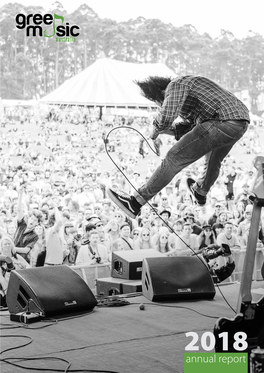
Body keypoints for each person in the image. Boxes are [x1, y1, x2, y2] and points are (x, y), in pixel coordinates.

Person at [106, 75, 249, 219]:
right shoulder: (193, 94)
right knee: (213, 160)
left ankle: (135, 202)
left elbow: (167, 114)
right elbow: (190, 129)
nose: (160, 106)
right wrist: (164, 129)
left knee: (173, 158)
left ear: (160, 94)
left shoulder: (175, 85)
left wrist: (156, 129)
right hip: (239, 123)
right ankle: (200, 192)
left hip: (221, 120)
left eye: (158, 103)